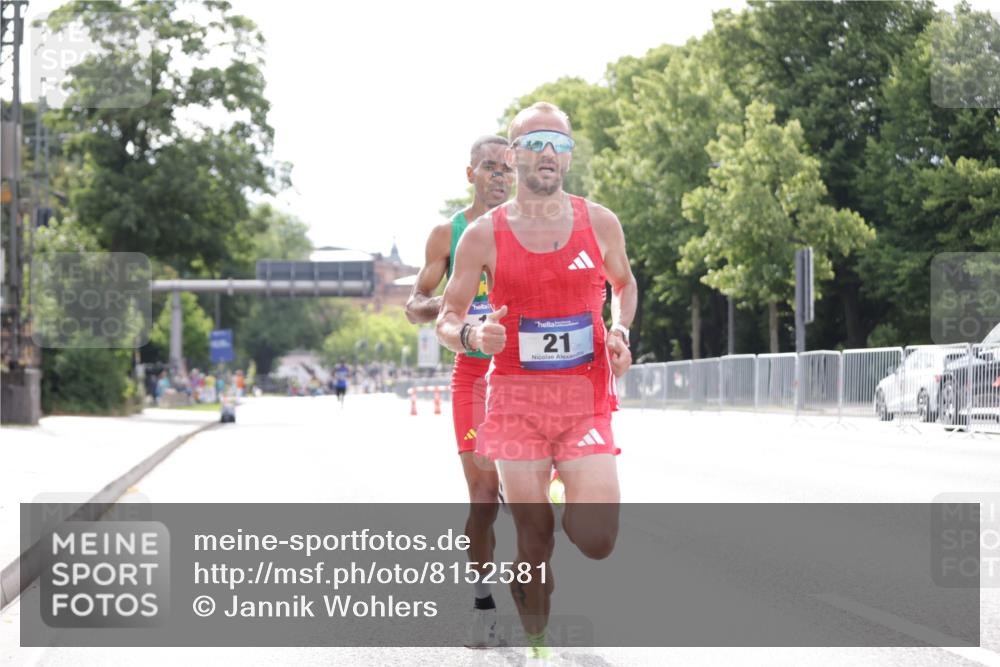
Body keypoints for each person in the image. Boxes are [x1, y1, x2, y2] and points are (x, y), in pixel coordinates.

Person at [436, 102, 637, 662]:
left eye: (560, 143)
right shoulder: (482, 235)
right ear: (514, 152)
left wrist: (619, 331)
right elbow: (448, 319)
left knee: (597, 541)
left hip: (584, 398)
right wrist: (474, 337)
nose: (549, 152)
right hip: (517, 402)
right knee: (534, 542)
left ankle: (563, 491)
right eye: (537, 141)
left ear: (569, 156)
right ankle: (540, 644)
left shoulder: (600, 222)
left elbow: (624, 284)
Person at [406, 134, 513, 648]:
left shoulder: (532, 227)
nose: (499, 176)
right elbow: (415, 304)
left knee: (524, 493)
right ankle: (482, 601)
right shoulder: (446, 234)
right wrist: (453, 310)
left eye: (507, 169)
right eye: (490, 167)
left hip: (526, 377)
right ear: (470, 174)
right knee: (483, 496)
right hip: (473, 372)